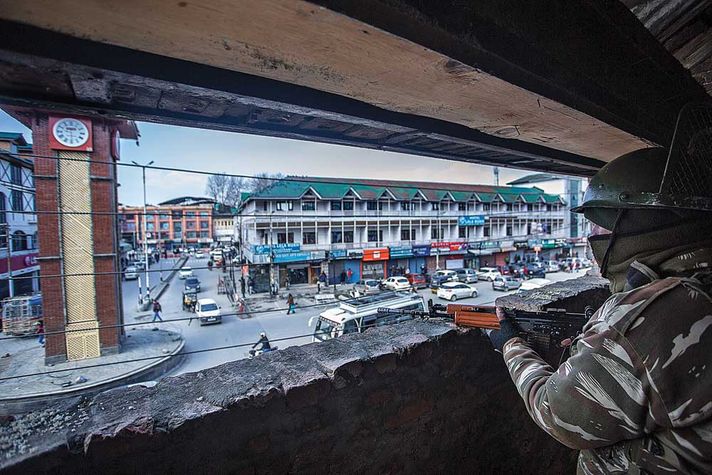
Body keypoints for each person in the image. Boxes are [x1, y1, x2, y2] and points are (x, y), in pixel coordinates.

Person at [488, 147, 712, 473]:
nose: (593, 237)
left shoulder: (645, 318)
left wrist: (511, 345)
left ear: (638, 226)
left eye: (600, 226)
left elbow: (556, 412)